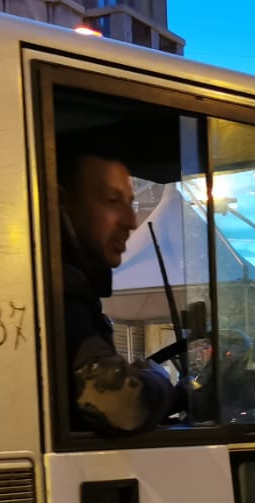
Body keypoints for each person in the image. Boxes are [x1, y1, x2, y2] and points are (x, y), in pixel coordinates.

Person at [59, 150, 179, 435]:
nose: (131, 221)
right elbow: (119, 402)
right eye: (112, 201)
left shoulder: (67, 288)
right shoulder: (60, 297)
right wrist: (160, 380)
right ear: (62, 204)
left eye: (131, 204)